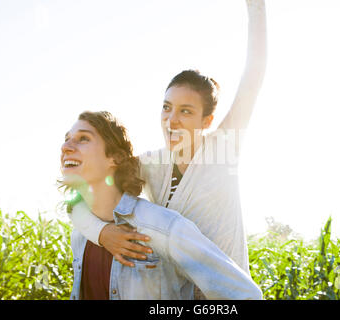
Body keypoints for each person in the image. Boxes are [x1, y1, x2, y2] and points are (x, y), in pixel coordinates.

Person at [70, 0, 267, 299]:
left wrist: (256, 7)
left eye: (185, 111)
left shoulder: (223, 149)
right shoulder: (150, 164)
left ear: (207, 120)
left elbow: (254, 74)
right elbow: (82, 201)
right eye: (166, 107)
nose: (171, 119)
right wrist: (102, 234)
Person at [61, 111, 262, 300]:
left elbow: (246, 294)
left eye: (83, 139)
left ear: (116, 157)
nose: (66, 147)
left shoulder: (163, 227)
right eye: (66, 139)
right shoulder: (80, 234)